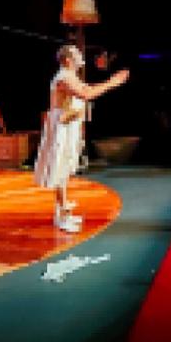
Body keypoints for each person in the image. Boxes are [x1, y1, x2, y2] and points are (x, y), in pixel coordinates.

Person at [36, 45, 129, 232]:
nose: (80, 56)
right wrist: (113, 82)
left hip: (68, 125)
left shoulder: (70, 76)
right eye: (76, 55)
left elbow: (87, 88)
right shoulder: (63, 77)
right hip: (61, 126)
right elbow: (86, 94)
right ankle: (61, 215)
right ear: (68, 60)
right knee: (60, 167)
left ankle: (62, 209)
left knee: (66, 166)